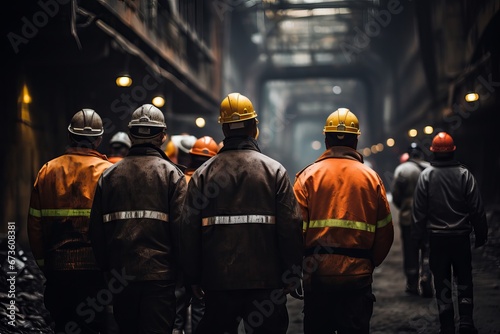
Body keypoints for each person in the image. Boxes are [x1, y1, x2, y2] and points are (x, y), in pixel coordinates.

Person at [181, 92, 303, 334]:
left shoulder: (203, 175)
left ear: (224, 130)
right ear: (254, 128)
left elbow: (188, 229)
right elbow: (291, 226)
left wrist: (193, 277)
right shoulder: (274, 171)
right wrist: (292, 272)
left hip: (218, 282)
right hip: (267, 283)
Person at [293, 107, 394, 334]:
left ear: (326, 139)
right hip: (357, 277)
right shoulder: (371, 178)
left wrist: (300, 268)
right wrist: (368, 263)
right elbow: (385, 232)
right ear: (356, 141)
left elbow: (294, 231)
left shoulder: (307, 177)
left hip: (317, 277)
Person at [89, 104, 187, 334]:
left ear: (131, 134)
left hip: (121, 276)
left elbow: (96, 231)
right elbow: (183, 232)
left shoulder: (109, 176)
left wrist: (106, 270)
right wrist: (185, 276)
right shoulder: (173, 175)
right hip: (160, 279)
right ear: (163, 136)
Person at [27, 108, 113, 334]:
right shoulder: (109, 173)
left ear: (69, 136)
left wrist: (46, 265)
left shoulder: (48, 171)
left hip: (58, 270)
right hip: (96, 273)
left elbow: (35, 227)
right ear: (99, 138)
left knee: (64, 326)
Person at [412, 131, 488, 334]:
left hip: (437, 240)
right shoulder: (465, 175)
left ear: (433, 152)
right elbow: (476, 208)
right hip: (460, 239)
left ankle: (446, 325)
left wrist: (418, 238)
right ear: (453, 151)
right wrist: (481, 233)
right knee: (464, 280)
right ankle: (465, 322)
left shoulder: (426, 176)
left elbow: (418, 211)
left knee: (442, 282)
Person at [173, 136, 218, 334]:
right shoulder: (214, 187)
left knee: (176, 311)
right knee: (202, 309)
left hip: (176, 257)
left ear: (190, 158)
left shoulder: (179, 181)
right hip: (205, 259)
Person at [391, 142, 432, 296]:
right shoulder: (430, 169)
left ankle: (412, 283)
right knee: (427, 249)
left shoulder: (402, 169)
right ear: (421, 154)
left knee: (410, 250)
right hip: (429, 218)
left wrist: (405, 206)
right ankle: (426, 275)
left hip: (408, 218)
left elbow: (396, 195)